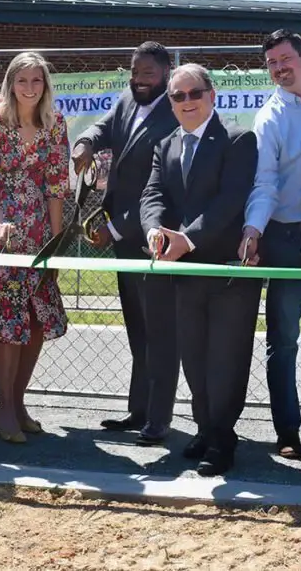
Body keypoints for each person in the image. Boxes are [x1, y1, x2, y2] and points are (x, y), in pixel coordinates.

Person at [139, 64, 260, 476]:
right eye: (178, 96)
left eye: (194, 93)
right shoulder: (166, 144)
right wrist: (155, 229)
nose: (187, 102)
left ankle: (223, 440)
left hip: (228, 274)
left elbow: (229, 201)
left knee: (225, 359)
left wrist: (186, 239)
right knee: (194, 356)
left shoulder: (239, 139)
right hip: (186, 273)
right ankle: (206, 428)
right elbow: (152, 194)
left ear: (212, 95)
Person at [239, 29, 301, 460]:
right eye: (272, 64)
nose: (280, 69)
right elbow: (265, 182)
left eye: (286, 60)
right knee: (284, 338)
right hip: (284, 234)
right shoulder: (270, 118)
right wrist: (253, 229)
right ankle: (288, 430)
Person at [72, 41, 180, 444]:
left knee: (159, 333)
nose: (138, 81)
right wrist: (85, 142)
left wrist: (116, 229)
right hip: (123, 239)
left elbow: (163, 194)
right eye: (134, 73)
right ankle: (139, 410)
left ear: (166, 72)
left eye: (147, 74)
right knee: (139, 330)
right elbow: (106, 127)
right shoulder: (128, 100)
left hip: (150, 239)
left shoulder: (175, 115)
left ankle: (159, 417)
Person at [0, 51, 70, 443]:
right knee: (7, 323)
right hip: (2, 237)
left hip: (41, 234)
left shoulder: (53, 123)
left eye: (37, 81)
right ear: (10, 83)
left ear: (45, 85)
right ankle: (5, 409)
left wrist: (56, 242)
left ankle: (17, 401)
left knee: (36, 320)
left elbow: (57, 185)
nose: (29, 88)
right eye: (22, 80)